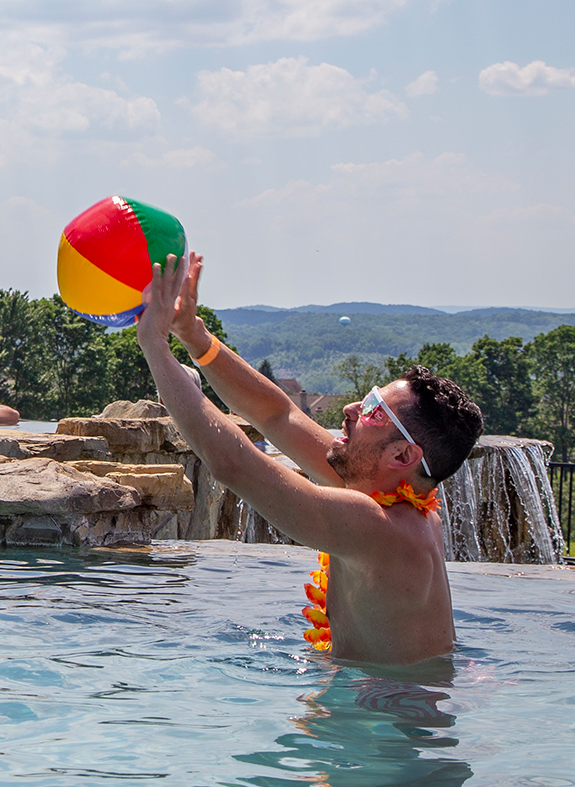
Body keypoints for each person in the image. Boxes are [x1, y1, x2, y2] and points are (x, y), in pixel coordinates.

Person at [137, 251, 483, 665]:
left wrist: (155, 345)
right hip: (388, 709)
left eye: (374, 410)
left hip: (383, 721)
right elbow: (277, 415)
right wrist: (194, 336)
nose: (352, 407)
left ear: (403, 454)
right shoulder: (390, 495)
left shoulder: (379, 528)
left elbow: (233, 464)